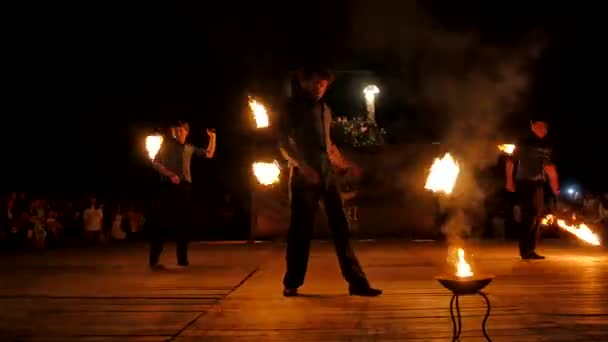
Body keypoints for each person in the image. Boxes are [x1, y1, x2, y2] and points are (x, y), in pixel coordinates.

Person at [277, 64, 382, 297]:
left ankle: (357, 283)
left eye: (323, 84)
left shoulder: (325, 109)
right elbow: (284, 143)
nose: (319, 88)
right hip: (304, 179)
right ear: (303, 82)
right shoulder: (292, 108)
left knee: (341, 229)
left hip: (327, 176)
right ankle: (291, 282)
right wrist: (303, 167)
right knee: (300, 231)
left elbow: (328, 145)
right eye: (315, 83)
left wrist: (345, 164)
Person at [150, 121, 216, 267]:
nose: (178, 133)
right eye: (176, 130)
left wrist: (212, 137)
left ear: (186, 132)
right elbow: (155, 162)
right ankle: (154, 259)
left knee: (184, 223)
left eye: (181, 130)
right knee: (161, 222)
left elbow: (209, 154)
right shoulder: (166, 146)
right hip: (167, 186)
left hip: (184, 187)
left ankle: (182, 259)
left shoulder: (189, 147)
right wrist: (169, 174)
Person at [505, 116, 560, 260]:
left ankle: (531, 249)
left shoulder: (548, 145)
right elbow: (510, 162)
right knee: (528, 216)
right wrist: (509, 181)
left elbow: (549, 166)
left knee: (537, 216)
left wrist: (555, 184)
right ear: (533, 127)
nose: (543, 129)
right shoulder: (523, 142)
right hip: (525, 182)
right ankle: (525, 250)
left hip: (539, 184)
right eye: (539, 126)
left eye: (545, 127)